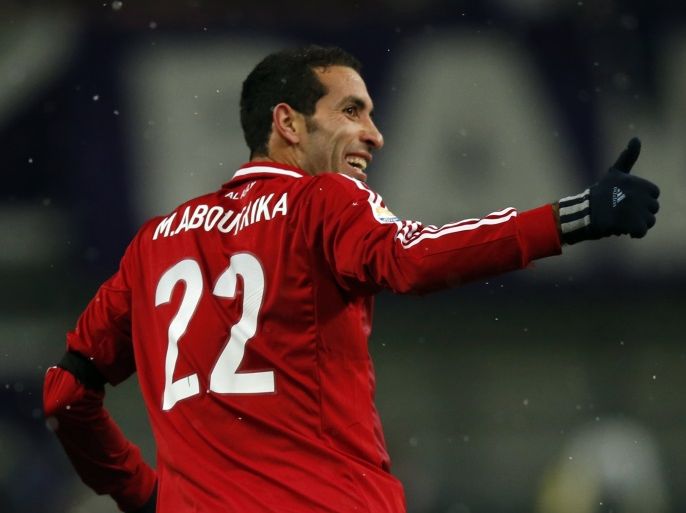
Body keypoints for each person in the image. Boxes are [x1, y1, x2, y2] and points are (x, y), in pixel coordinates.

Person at [43, 45, 660, 513]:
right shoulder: (321, 201)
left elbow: (65, 394)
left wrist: (145, 495)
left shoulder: (155, 244)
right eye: (351, 111)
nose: (375, 134)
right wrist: (573, 218)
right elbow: (413, 258)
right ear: (288, 124)